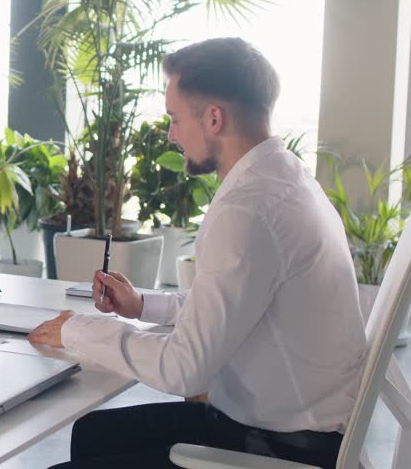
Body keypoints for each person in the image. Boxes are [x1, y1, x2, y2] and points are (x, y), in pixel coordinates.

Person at [29, 38, 365, 468]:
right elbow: (231, 305)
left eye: (174, 119)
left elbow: (183, 369)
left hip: (278, 450)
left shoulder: (249, 210)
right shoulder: (286, 178)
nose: (170, 134)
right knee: (92, 433)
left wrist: (76, 329)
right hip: (296, 430)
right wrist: (141, 305)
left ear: (213, 118)